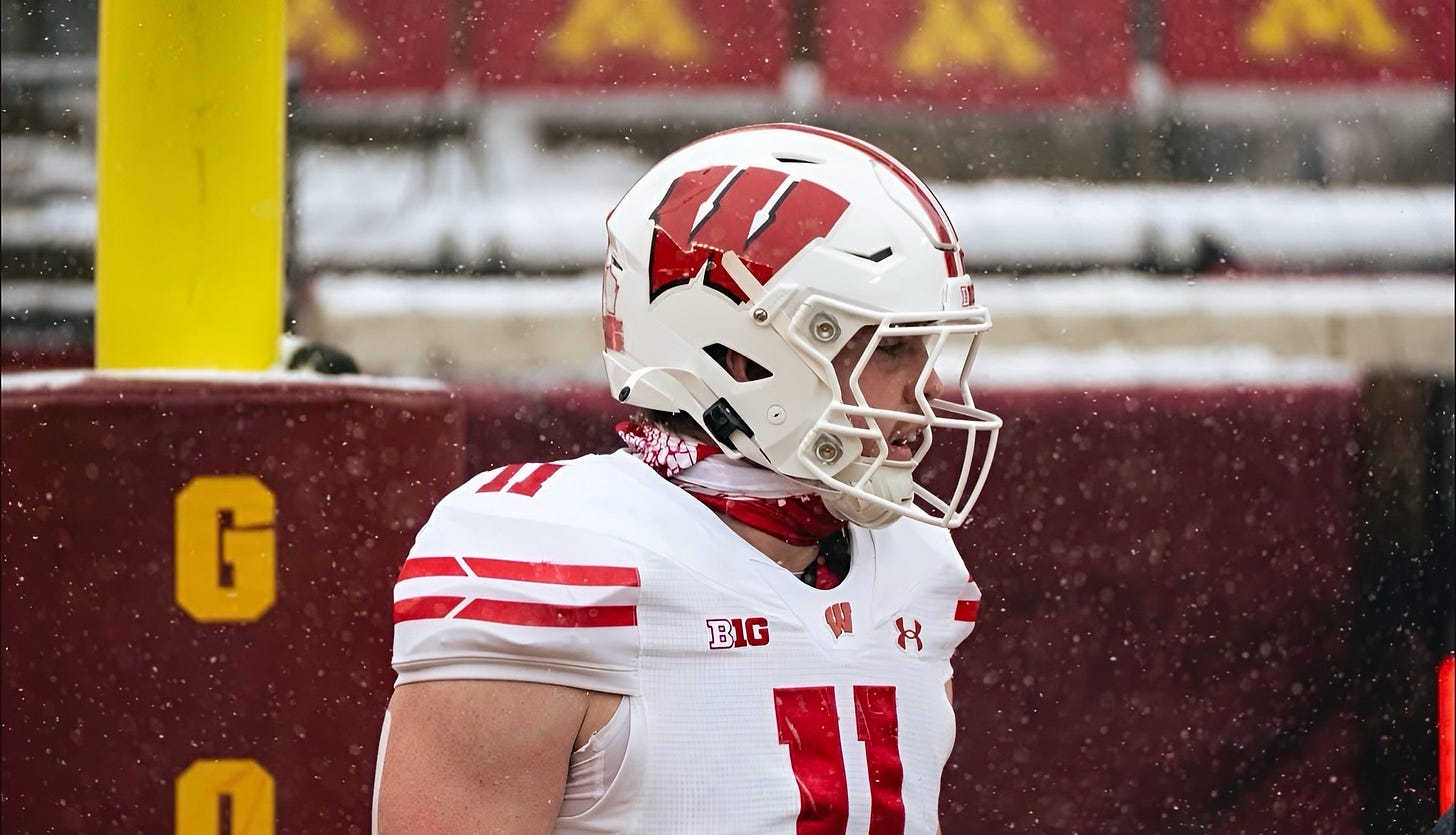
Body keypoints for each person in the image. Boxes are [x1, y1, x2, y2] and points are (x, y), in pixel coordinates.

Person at [372, 123, 1003, 834]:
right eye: (891, 346)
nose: (929, 388)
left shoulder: (913, 567)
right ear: (738, 355)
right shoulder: (550, 564)